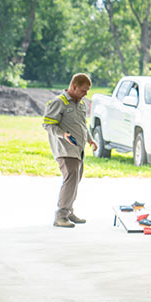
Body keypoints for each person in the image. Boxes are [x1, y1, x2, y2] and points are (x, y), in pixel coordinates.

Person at [43, 73, 97, 228]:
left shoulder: (80, 104)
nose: (86, 94)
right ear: (74, 87)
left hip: (77, 150)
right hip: (65, 150)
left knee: (75, 180)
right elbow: (47, 125)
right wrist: (63, 134)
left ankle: (68, 211)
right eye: (83, 90)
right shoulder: (58, 102)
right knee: (70, 180)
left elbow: (82, 124)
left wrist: (90, 139)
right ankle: (60, 215)